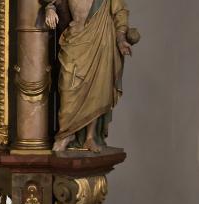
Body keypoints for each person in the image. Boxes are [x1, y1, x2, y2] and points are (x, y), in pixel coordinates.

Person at [45, 0, 135, 152]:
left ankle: (89, 137)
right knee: (67, 86)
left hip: (100, 39)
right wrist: (50, 8)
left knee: (96, 88)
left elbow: (120, 12)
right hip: (75, 37)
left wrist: (120, 39)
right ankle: (66, 133)